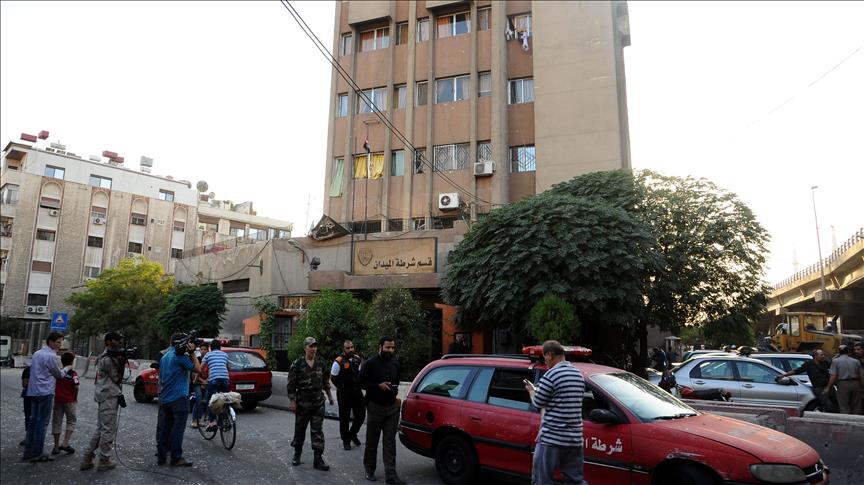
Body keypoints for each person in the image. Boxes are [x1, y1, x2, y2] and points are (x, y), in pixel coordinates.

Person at [523, 340, 587, 485]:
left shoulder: (551, 375)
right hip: (575, 439)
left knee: (542, 480)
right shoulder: (578, 375)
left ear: (549, 355)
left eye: (544, 357)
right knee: (575, 481)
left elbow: (538, 402)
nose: (545, 361)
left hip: (552, 439)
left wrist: (532, 391)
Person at [358, 336, 406, 485]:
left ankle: (391, 475)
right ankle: (369, 469)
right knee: (372, 441)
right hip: (375, 408)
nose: (390, 350)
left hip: (392, 409)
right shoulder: (370, 364)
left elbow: (396, 382)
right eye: (387, 347)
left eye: (392, 347)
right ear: (380, 347)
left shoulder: (395, 364)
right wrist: (377, 386)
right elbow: (360, 382)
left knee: (390, 442)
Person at [80, 332, 128, 471]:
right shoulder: (107, 359)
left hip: (105, 395)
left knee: (101, 428)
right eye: (116, 340)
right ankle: (104, 460)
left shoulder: (107, 357)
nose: (119, 343)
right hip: (109, 396)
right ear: (108, 341)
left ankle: (88, 457)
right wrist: (122, 363)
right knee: (108, 429)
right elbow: (116, 378)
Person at [287, 337, 335, 471]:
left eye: (315, 346)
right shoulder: (297, 364)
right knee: (300, 430)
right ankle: (297, 454)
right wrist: (292, 401)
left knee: (317, 431)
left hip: (318, 403)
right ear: (305, 348)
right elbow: (291, 384)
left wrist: (330, 396)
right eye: (311, 346)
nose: (313, 349)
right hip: (302, 404)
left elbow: (325, 381)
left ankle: (318, 459)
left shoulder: (320, 363)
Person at [156, 333, 201, 467]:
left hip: (165, 398)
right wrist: (192, 353)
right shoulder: (180, 357)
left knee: (166, 427)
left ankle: (161, 457)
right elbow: (198, 369)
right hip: (179, 397)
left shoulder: (165, 357)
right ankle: (176, 458)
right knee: (178, 429)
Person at [22, 332, 64, 463]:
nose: (60, 345)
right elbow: (58, 374)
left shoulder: (37, 353)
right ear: (51, 342)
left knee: (33, 421)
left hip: (33, 391)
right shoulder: (51, 356)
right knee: (42, 422)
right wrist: (67, 368)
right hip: (45, 392)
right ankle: (37, 452)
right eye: (58, 342)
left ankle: (28, 451)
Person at [331, 339, 365, 451]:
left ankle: (352, 434)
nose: (350, 349)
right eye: (348, 348)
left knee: (361, 415)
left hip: (356, 392)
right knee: (344, 418)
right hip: (344, 393)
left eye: (352, 347)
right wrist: (341, 387)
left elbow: (360, 374)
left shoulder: (357, 359)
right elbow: (333, 377)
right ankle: (346, 440)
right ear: (343, 349)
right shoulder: (338, 361)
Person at [51, 352, 79, 455]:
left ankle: (56, 446)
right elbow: (76, 386)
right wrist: (75, 397)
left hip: (58, 399)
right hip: (70, 400)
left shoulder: (58, 373)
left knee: (56, 422)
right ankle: (65, 443)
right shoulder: (73, 374)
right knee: (71, 421)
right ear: (72, 362)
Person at [201, 339, 231, 431]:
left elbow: (200, 368)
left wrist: (196, 378)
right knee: (223, 400)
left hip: (213, 379)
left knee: (211, 400)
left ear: (210, 347)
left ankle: (212, 421)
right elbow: (229, 367)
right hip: (225, 380)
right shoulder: (225, 354)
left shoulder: (208, 354)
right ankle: (223, 421)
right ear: (220, 347)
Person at [824, 345, 863, 415]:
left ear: (839, 352)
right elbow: (861, 375)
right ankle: (856, 419)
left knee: (844, 405)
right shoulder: (856, 361)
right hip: (856, 384)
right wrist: (862, 386)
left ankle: (846, 420)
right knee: (857, 405)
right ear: (848, 351)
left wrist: (828, 387)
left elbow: (833, 376)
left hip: (843, 384)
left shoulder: (836, 361)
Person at [190, 343, 209, 428]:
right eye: (202, 349)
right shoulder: (197, 360)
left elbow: (211, 372)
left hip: (207, 383)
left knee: (205, 400)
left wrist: (206, 381)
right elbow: (194, 374)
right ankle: (194, 420)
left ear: (208, 350)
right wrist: (202, 381)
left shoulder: (209, 360)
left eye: (205, 349)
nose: (203, 351)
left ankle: (199, 419)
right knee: (199, 398)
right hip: (197, 383)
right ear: (199, 350)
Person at [19, 365, 32, 447]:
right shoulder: (44, 368)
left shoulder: (27, 369)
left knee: (28, 416)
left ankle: (28, 437)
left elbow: (24, 384)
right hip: (42, 394)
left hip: (28, 394)